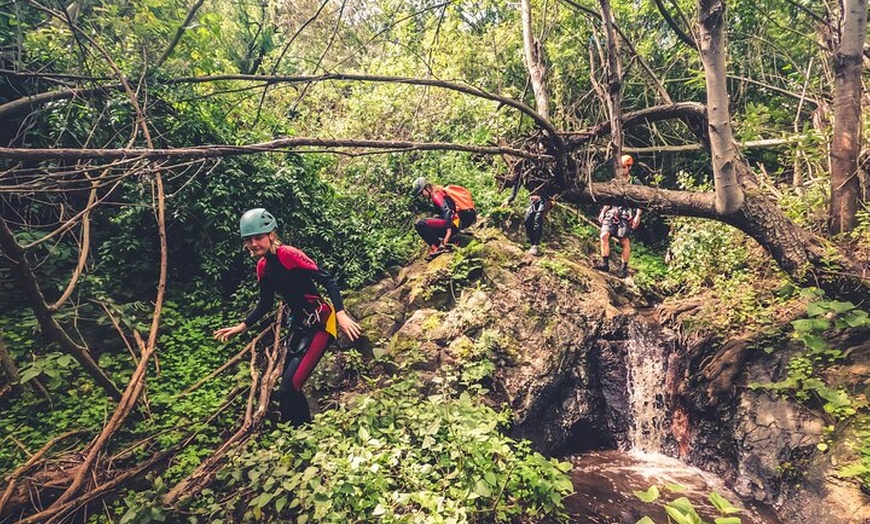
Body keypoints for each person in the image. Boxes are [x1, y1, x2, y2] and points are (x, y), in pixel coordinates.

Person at [214, 208, 361, 426]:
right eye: (249, 240)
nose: (253, 244)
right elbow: (265, 304)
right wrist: (241, 327)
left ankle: (303, 433)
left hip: (320, 321)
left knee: (289, 387)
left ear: (271, 235)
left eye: (258, 238)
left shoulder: (288, 254)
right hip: (299, 325)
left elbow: (327, 280)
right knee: (286, 390)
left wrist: (341, 314)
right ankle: (299, 434)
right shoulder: (263, 267)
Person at [594, 155, 642, 277]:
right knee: (604, 235)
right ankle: (605, 263)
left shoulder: (635, 182)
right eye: (620, 167)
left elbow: (641, 200)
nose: (622, 170)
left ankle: (623, 268)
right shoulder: (615, 181)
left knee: (623, 240)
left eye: (624, 167)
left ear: (629, 167)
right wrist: (603, 211)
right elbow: (609, 198)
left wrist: (637, 215)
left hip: (626, 214)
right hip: (613, 211)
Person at [412, 177, 477, 260]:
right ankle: (452, 237)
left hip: (454, 224)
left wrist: (448, 233)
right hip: (458, 223)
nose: (422, 196)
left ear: (427, 188)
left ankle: (437, 247)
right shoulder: (441, 193)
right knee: (435, 218)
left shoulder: (436, 195)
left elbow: (448, 211)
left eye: (421, 193)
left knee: (420, 224)